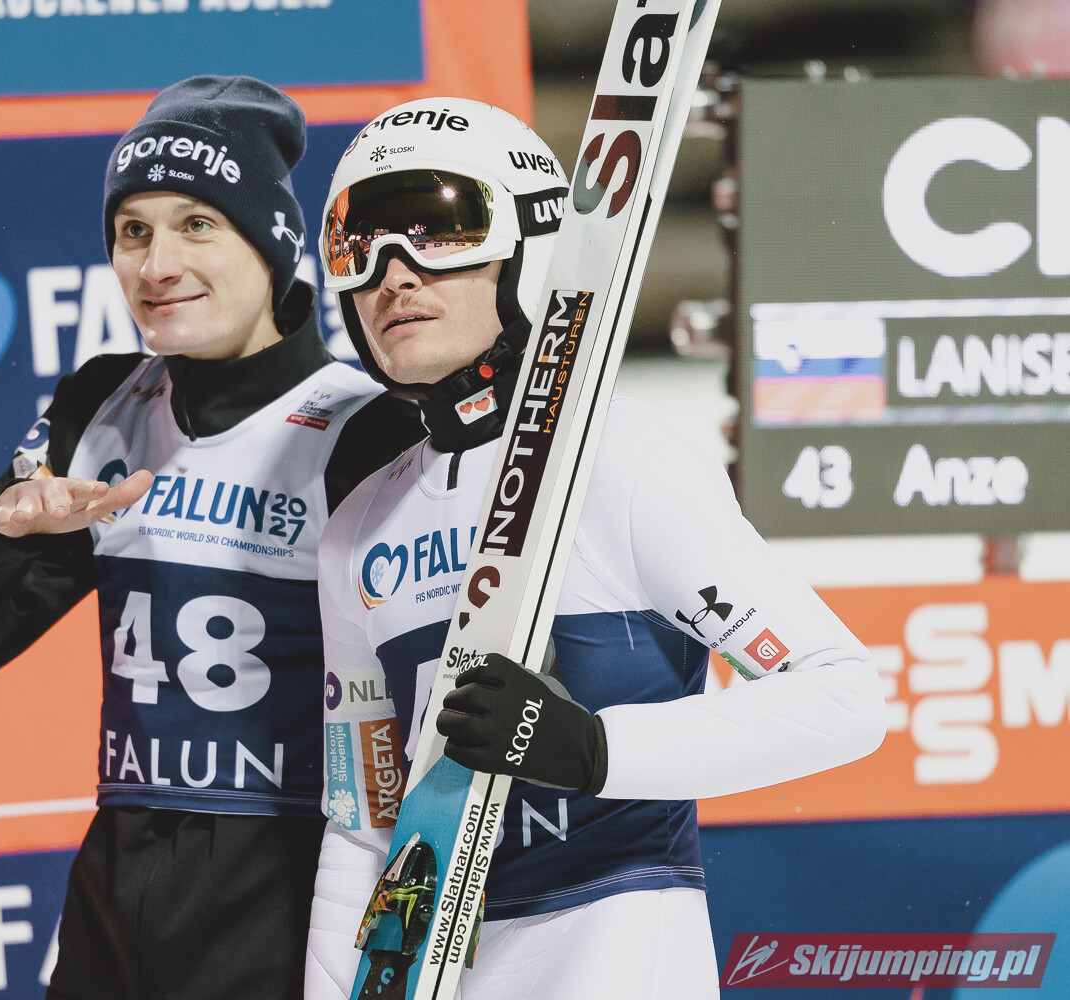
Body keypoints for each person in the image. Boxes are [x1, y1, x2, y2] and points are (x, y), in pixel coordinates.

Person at [304, 98, 886, 999]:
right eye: (358, 244)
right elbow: (362, 822)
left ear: (531, 249)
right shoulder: (358, 527)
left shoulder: (622, 459)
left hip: (618, 949)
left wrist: (590, 749)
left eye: (440, 229)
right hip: (444, 971)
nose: (394, 273)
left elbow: (844, 698)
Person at [0, 75, 423, 1000]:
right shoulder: (105, 404)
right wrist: (6, 537)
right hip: (114, 898)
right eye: (134, 231)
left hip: (290, 900)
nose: (157, 265)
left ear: (273, 244)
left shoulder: (366, 428)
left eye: (197, 225)